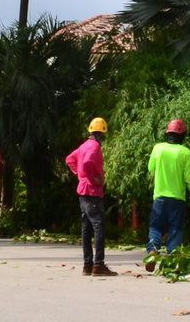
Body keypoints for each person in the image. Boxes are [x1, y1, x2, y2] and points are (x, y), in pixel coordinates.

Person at [144, 117, 190, 267]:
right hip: (177, 200)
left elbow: (150, 169)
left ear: (168, 133)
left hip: (160, 197)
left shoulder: (158, 148)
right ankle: (172, 259)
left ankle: (153, 250)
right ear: (182, 136)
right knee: (176, 228)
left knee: (156, 227)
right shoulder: (185, 153)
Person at [65, 117, 116, 276]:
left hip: (82, 191)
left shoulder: (83, 146)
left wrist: (79, 175)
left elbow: (69, 159)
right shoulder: (94, 147)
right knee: (99, 227)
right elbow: (87, 163)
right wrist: (94, 179)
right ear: (102, 134)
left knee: (86, 228)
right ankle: (98, 265)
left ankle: (87, 265)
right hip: (92, 191)